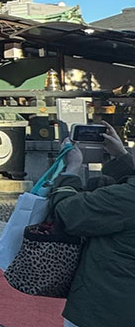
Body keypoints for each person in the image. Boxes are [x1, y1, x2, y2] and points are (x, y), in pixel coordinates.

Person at [49, 121, 134, 327]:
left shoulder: (124, 198)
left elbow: (67, 213)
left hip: (108, 306)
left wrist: (71, 169)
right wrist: (121, 157)